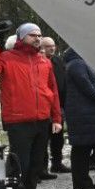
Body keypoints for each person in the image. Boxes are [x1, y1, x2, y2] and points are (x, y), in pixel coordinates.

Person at [0, 22, 62, 189]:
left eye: (39, 35)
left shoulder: (44, 62)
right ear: (21, 37)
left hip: (42, 120)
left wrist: (57, 117)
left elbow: (53, 91)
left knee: (35, 166)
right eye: (32, 35)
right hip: (18, 122)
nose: (37, 38)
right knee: (21, 166)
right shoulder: (7, 58)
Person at [63, 48, 95, 189]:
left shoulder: (79, 62)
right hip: (82, 112)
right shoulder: (77, 64)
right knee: (81, 149)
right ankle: (82, 182)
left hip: (85, 112)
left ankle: (82, 181)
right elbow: (86, 85)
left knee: (84, 148)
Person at [39, 37, 70, 177]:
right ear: (42, 47)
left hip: (59, 104)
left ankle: (57, 163)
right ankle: (42, 167)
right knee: (43, 137)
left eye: (53, 46)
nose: (52, 48)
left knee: (58, 136)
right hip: (44, 104)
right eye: (48, 46)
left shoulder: (57, 61)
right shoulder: (38, 61)